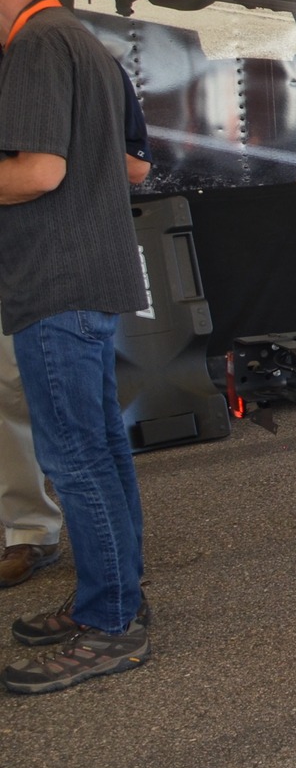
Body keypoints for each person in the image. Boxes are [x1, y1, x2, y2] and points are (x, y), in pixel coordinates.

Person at [0, 0, 151, 694]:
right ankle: (118, 598)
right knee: (100, 451)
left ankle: (109, 624)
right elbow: (132, 167)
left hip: (55, 282)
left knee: (75, 459)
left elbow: (38, 173)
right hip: (92, 278)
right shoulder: (82, 41)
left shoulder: (31, 46)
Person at [0, 45, 150, 591]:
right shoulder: (81, 49)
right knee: (87, 438)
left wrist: (56, 164)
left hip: (50, 270)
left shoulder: (41, 54)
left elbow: (127, 166)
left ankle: (110, 605)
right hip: (58, 270)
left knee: (75, 449)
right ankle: (110, 581)